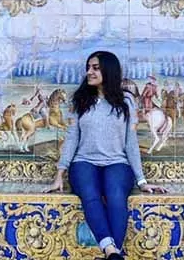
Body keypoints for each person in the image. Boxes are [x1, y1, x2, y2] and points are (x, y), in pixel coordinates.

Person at [45, 51, 167, 260]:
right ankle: (113, 252)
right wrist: (59, 174)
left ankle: (111, 253)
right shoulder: (81, 100)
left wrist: (142, 180)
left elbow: (130, 144)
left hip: (116, 163)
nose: (89, 72)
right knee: (90, 195)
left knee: (116, 196)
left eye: (95, 68)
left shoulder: (126, 102)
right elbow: (72, 138)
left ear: (108, 70)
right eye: (89, 67)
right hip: (84, 162)